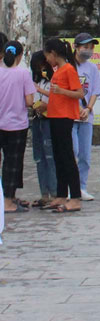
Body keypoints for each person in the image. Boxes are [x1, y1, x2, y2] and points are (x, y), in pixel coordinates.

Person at [43, 38, 83, 213]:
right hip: (55, 115)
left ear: (53, 53)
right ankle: (61, 194)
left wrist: (62, 92)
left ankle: (75, 197)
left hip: (64, 117)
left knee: (67, 157)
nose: (47, 60)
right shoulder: (58, 70)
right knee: (58, 156)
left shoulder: (68, 69)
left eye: (47, 56)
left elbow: (79, 93)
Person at [0, 41, 36, 213]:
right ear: (20, 55)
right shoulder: (23, 73)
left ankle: (8, 198)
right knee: (12, 163)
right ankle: (8, 200)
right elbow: (29, 101)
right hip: (16, 125)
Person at [71, 32, 100, 200]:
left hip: (85, 116)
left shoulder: (92, 68)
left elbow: (95, 91)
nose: (88, 50)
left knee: (85, 155)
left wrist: (88, 108)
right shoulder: (69, 66)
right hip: (70, 116)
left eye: (91, 47)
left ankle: (82, 186)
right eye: (85, 47)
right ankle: (71, 186)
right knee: (72, 151)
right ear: (76, 47)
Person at [29, 52, 56, 207]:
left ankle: (54, 192)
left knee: (50, 156)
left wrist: (39, 90)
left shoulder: (52, 79)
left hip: (49, 119)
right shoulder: (34, 80)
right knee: (39, 157)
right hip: (38, 118)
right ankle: (44, 193)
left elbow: (55, 96)